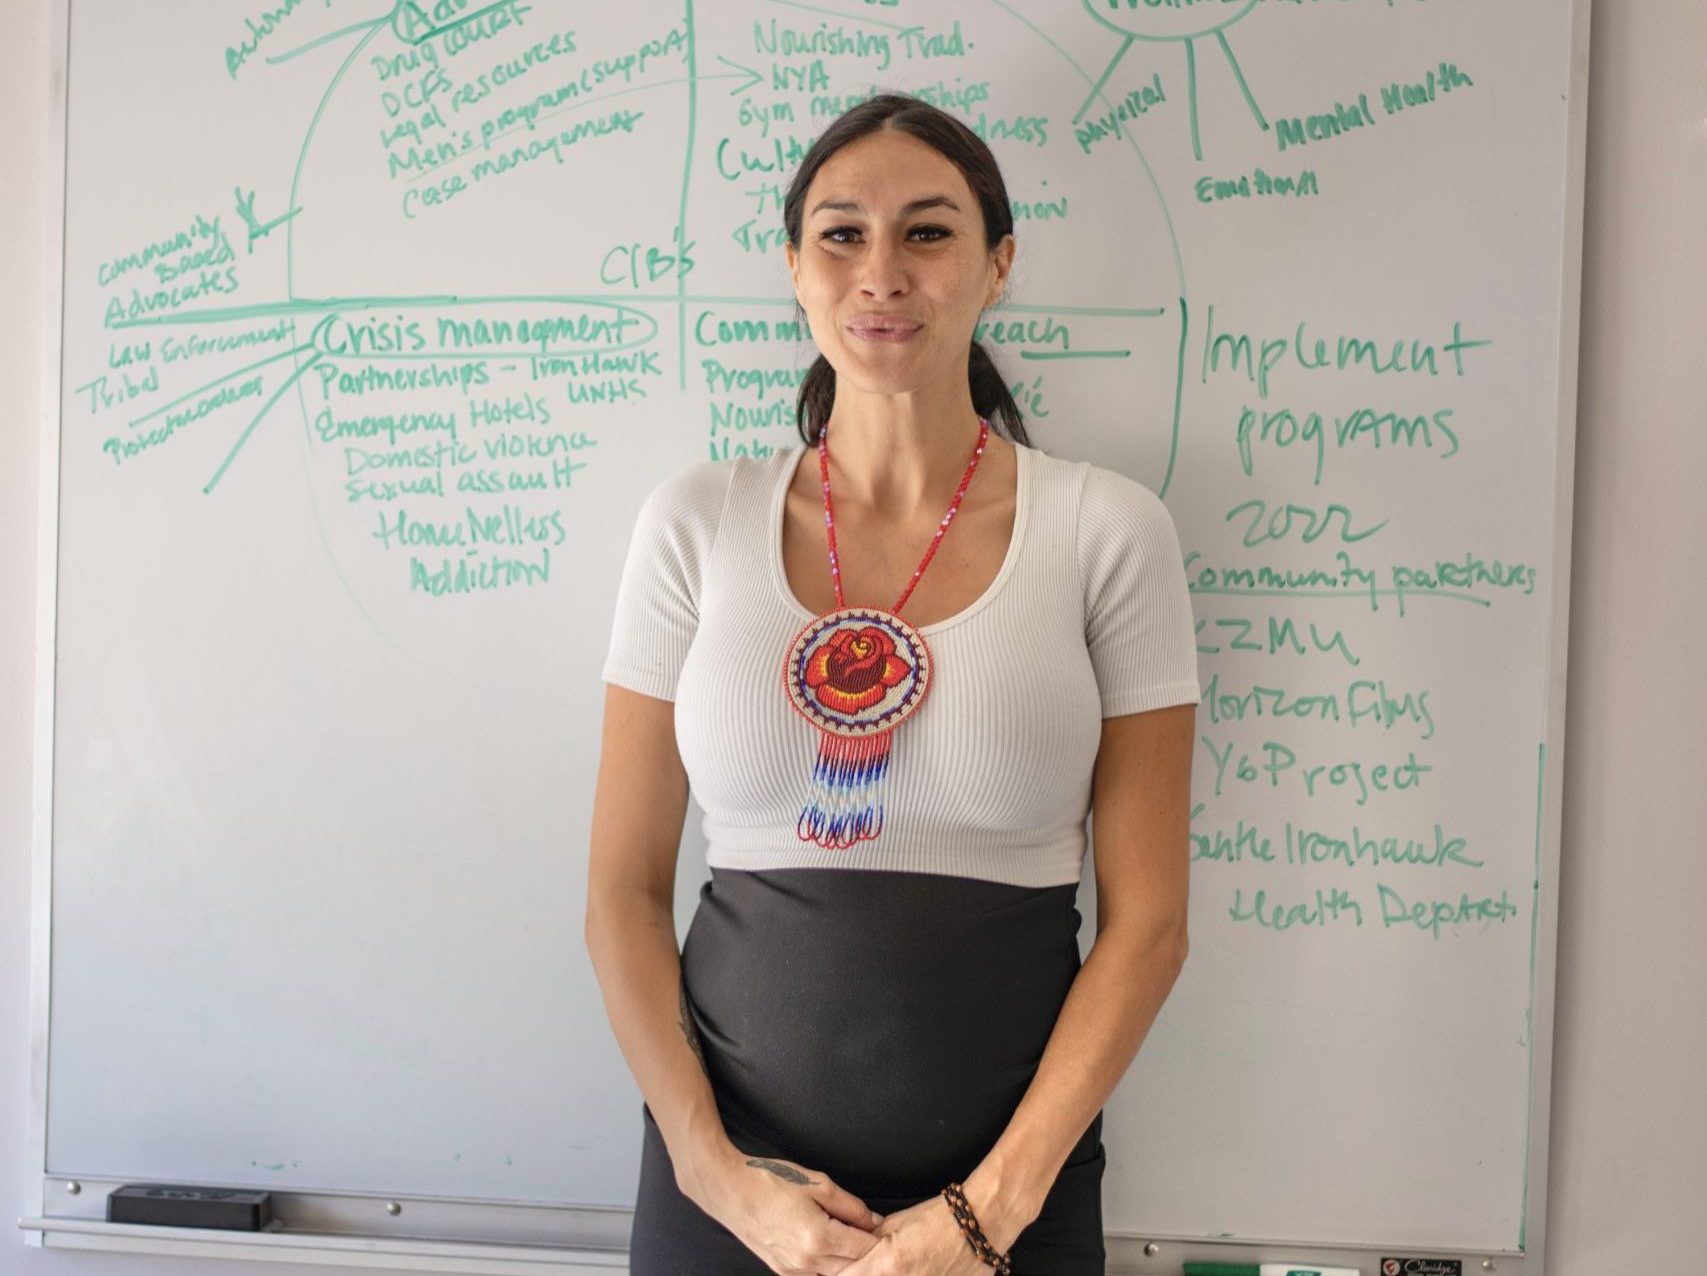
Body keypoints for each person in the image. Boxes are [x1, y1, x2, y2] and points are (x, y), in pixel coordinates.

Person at [587, 91, 1199, 1275]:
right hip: (729, 1194)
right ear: (795, 268)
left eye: (927, 232)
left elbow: (1151, 924)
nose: (882, 272)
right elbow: (618, 894)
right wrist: (721, 1181)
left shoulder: (1107, 532)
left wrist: (989, 1213)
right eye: (840, 234)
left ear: (997, 263)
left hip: (1007, 1196)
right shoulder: (696, 523)